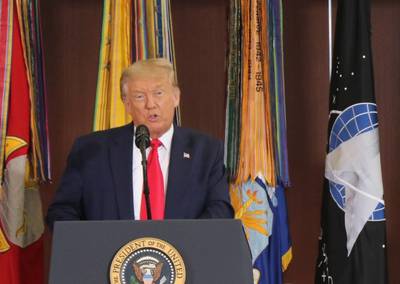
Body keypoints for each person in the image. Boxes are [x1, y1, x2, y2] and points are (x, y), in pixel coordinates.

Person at [46, 58, 233, 229]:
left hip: (184, 262)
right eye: (139, 97)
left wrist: (181, 242)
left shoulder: (206, 151)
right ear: (127, 104)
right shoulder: (91, 151)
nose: (151, 104)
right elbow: (62, 213)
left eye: (158, 93)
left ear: (176, 97)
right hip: (111, 263)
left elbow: (220, 211)